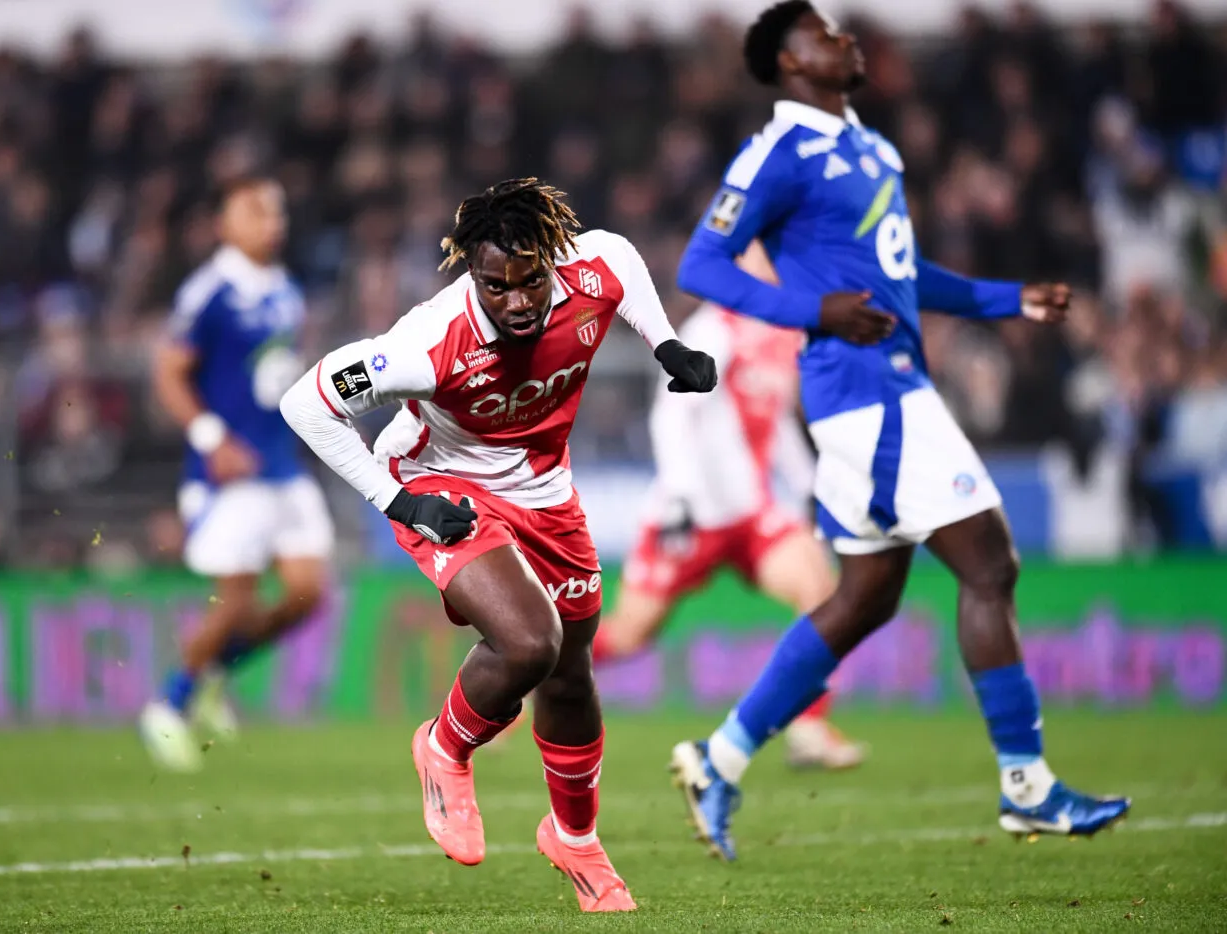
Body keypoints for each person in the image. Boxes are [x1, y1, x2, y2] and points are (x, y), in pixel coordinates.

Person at [669, 1, 1130, 860]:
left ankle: (717, 757)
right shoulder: (780, 151)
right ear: (790, 62)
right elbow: (700, 264)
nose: (844, 40)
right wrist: (813, 312)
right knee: (989, 565)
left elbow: (903, 274)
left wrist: (1008, 300)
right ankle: (1027, 787)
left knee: (865, 599)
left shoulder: (872, 147)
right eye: (823, 33)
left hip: (887, 392)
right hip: (867, 397)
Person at [281, 179, 716, 912]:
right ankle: (445, 750)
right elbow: (306, 403)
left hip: (546, 490)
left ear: (552, 260)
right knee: (529, 643)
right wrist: (398, 501)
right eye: (495, 286)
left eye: (529, 282)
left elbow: (621, 259)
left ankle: (574, 840)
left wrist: (665, 342)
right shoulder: (425, 345)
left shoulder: (591, 267)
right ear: (470, 276)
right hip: (443, 484)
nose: (516, 301)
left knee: (570, 673)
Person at [599, 247, 864, 772]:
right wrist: (677, 496)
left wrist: (810, 485)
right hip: (692, 515)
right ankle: (525, 679)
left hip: (750, 515)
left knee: (820, 590)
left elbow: (777, 418)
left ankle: (809, 727)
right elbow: (671, 412)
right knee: (628, 634)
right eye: (768, 254)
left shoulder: (784, 333)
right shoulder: (714, 328)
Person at [140, 175, 332, 772]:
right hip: (228, 473)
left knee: (308, 593)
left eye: (276, 211)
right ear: (224, 223)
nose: (271, 222)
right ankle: (169, 706)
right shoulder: (209, 291)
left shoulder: (285, 288)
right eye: (255, 211)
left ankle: (218, 671)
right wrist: (211, 436)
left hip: (282, 465)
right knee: (233, 600)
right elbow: (169, 373)